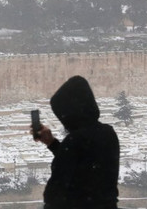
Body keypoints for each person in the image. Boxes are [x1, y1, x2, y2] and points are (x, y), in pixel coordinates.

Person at [32, 75, 120, 209]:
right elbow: (84, 163)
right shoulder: (108, 133)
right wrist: (52, 143)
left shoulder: (75, 141)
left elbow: (56, 191)